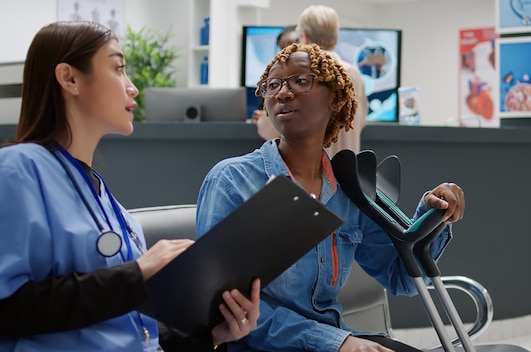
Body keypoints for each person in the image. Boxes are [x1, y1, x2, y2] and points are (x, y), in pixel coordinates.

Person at [0, 21, 260, 351]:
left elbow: (132, 332)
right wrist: (138, 272)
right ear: (70, 78)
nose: (133, 87)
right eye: (118, 68)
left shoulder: (113, 209)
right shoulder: (18, 169)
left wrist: (211, 334)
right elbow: (9, 308)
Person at [196, 43, 465, 352]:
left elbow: (401, 277)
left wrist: (434, 215)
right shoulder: (233, 180)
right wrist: (337, 343)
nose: (282, 93)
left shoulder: (347, 189)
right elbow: (222, 305)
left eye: (300, 81)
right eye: (273, 85)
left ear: (335, 98)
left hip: (336, 338)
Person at [297, 4, 369, 157]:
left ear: (304, 37)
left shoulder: (301, 74)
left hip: (309, 170)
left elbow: (278, 125)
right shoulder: (353, 73)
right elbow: (360, 120)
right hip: (347, 169)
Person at [251, 25, 299, 141]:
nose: (287, 54)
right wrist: (262, 116)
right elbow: (264, 109)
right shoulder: (271, 79)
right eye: (283, 49)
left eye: (292, 48)